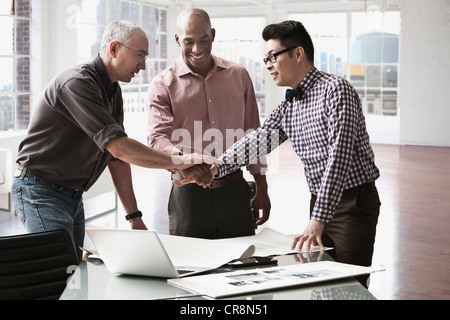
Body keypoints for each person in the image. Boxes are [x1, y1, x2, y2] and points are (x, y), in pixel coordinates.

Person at [11, 20, 217, 260]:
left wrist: (134, 217)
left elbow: (115, 159)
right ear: (114, 49)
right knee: (57, 269)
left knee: (73, 271)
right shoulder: (78, 83)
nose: (143, 65)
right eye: (139, 55)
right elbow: (119, 148)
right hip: (40, 189)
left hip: (71, 194)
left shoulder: (112, 90)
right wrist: (180, 161)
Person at [207, 20, 381, 287]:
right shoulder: (290, 104)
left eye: (273, 56)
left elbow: (340, 158)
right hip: (320, 201)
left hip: (352, 204)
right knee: (324, 281)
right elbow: (257, 140)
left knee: (351, 286)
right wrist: (216, 167)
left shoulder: (336, 90)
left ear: (298, 54)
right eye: (265, 58)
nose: (267, 64)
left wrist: (318, 219)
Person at [147, 8, 271, 239]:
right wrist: (185, 162)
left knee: (242, 267)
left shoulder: (239, 75)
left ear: (213, 34)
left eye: (204, 40)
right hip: (188, 196)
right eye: (188, 41)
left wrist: (262, 187)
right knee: (191, 269)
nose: (197, 49)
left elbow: (254, 134)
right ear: (177, 40)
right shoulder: (162, 84)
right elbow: (157, 139)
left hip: (235, 191)